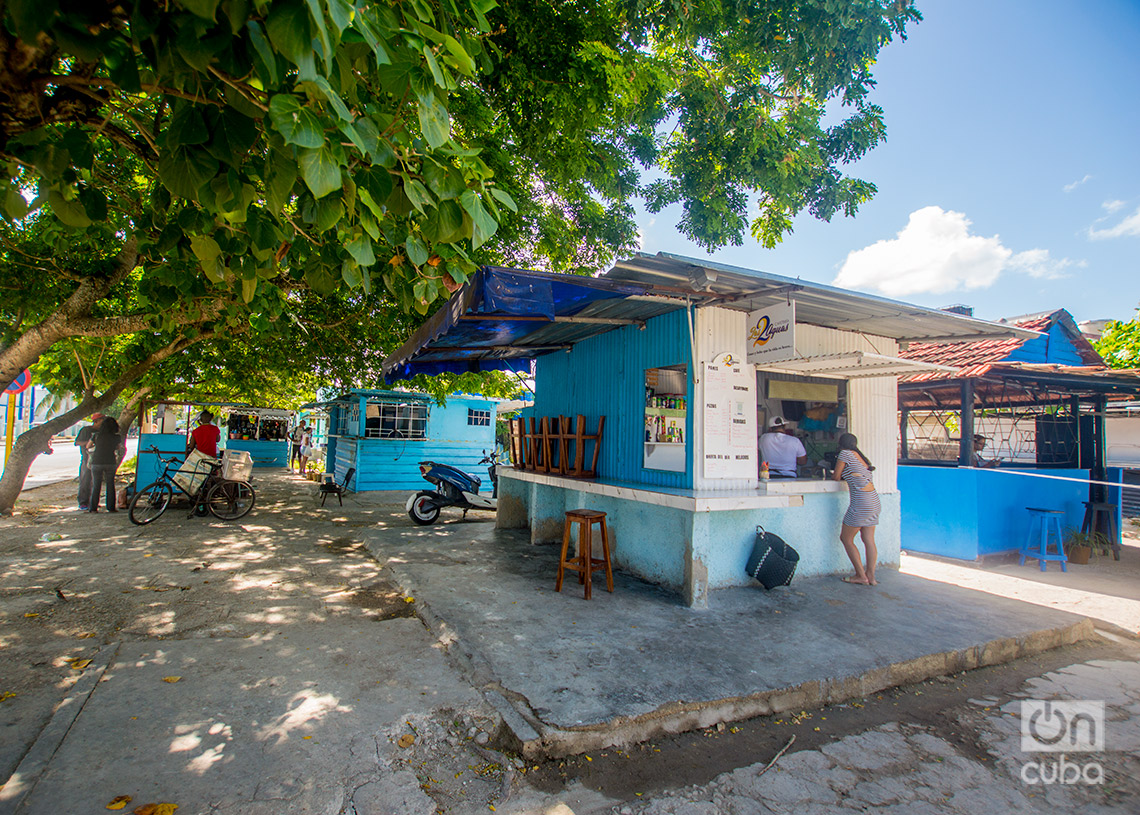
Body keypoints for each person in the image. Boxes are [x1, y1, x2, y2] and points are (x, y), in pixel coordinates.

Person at [832, 432, 881, 586]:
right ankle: (871, 577)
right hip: (874, 501)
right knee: (868, 540)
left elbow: (836, 477)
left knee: (846, 538)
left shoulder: (845, 454)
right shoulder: (862, 459)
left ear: (841, 444)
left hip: (861, 503)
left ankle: (860, 575)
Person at [86, 417, 123, 513]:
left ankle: (93, 508)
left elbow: (88, 446)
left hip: (97, 462)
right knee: (110, 485)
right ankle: (111, 507)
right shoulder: (117, 437)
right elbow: (119, 447)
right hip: (110, 462)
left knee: (96, 485)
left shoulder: (96, 435)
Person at [75, 413, 104, 510]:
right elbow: (77, 442)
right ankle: (83, 502)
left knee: (95, 481)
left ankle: (93, 501)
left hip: (99, 459)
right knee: (85, 480)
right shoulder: (86, 430)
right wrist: (90, 443)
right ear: (96, 421)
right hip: (87, 458)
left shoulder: (103, 431)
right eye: (101, 420)